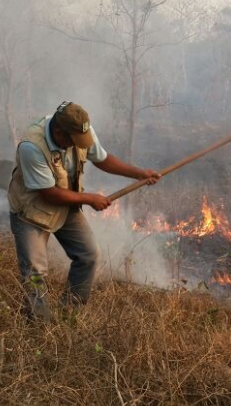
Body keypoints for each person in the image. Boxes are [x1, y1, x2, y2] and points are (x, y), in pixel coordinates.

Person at [8, 102, 160, 320]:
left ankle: (70, 314)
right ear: (59, 133)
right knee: (35, 274)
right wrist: (90, 199)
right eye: (73, 141)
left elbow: (103, 159)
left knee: (88, 254)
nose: (78, 145)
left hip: (65, 204)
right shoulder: (31, 146)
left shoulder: (80, 130)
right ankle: (38, 328)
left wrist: (140, 174)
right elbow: (49, 194)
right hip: (32, 212)